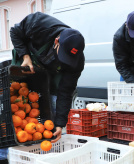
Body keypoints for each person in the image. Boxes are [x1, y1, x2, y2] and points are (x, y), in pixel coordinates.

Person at [10, 12, 85, 143]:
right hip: (27, 67)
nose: (66, 61)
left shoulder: (77, 63)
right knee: (12, 110)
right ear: (57, 41)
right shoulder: (39, 24)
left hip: (49, 77)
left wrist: (60, 124)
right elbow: (15, 32)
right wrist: (25, 56)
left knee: (52, 114)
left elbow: (66, 92)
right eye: (64, 55)